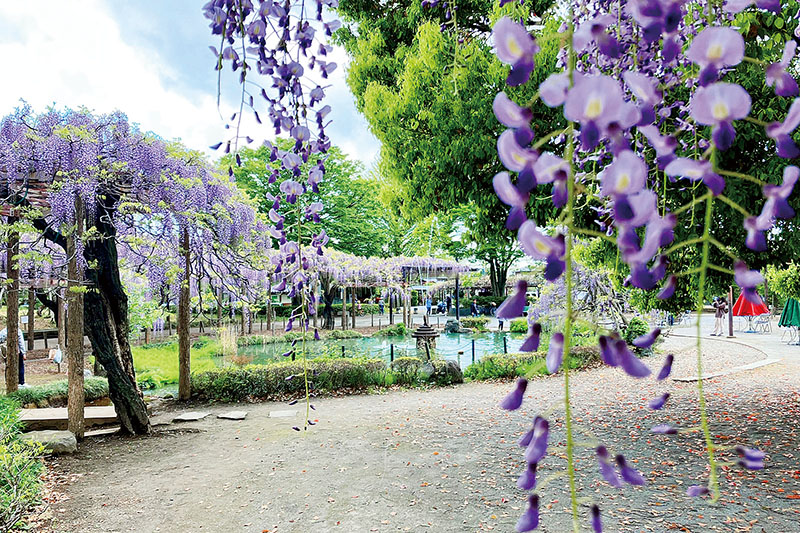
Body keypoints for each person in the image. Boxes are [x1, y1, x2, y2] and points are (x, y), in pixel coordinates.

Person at [0, 319, 28, 388]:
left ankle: (8, 382)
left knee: (8, 367)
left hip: (6, 353)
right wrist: (23, 352)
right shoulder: (18, 331)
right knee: (20, 366)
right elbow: (21, 342)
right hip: (17, 352)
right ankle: (21, 382)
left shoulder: (2, 332)